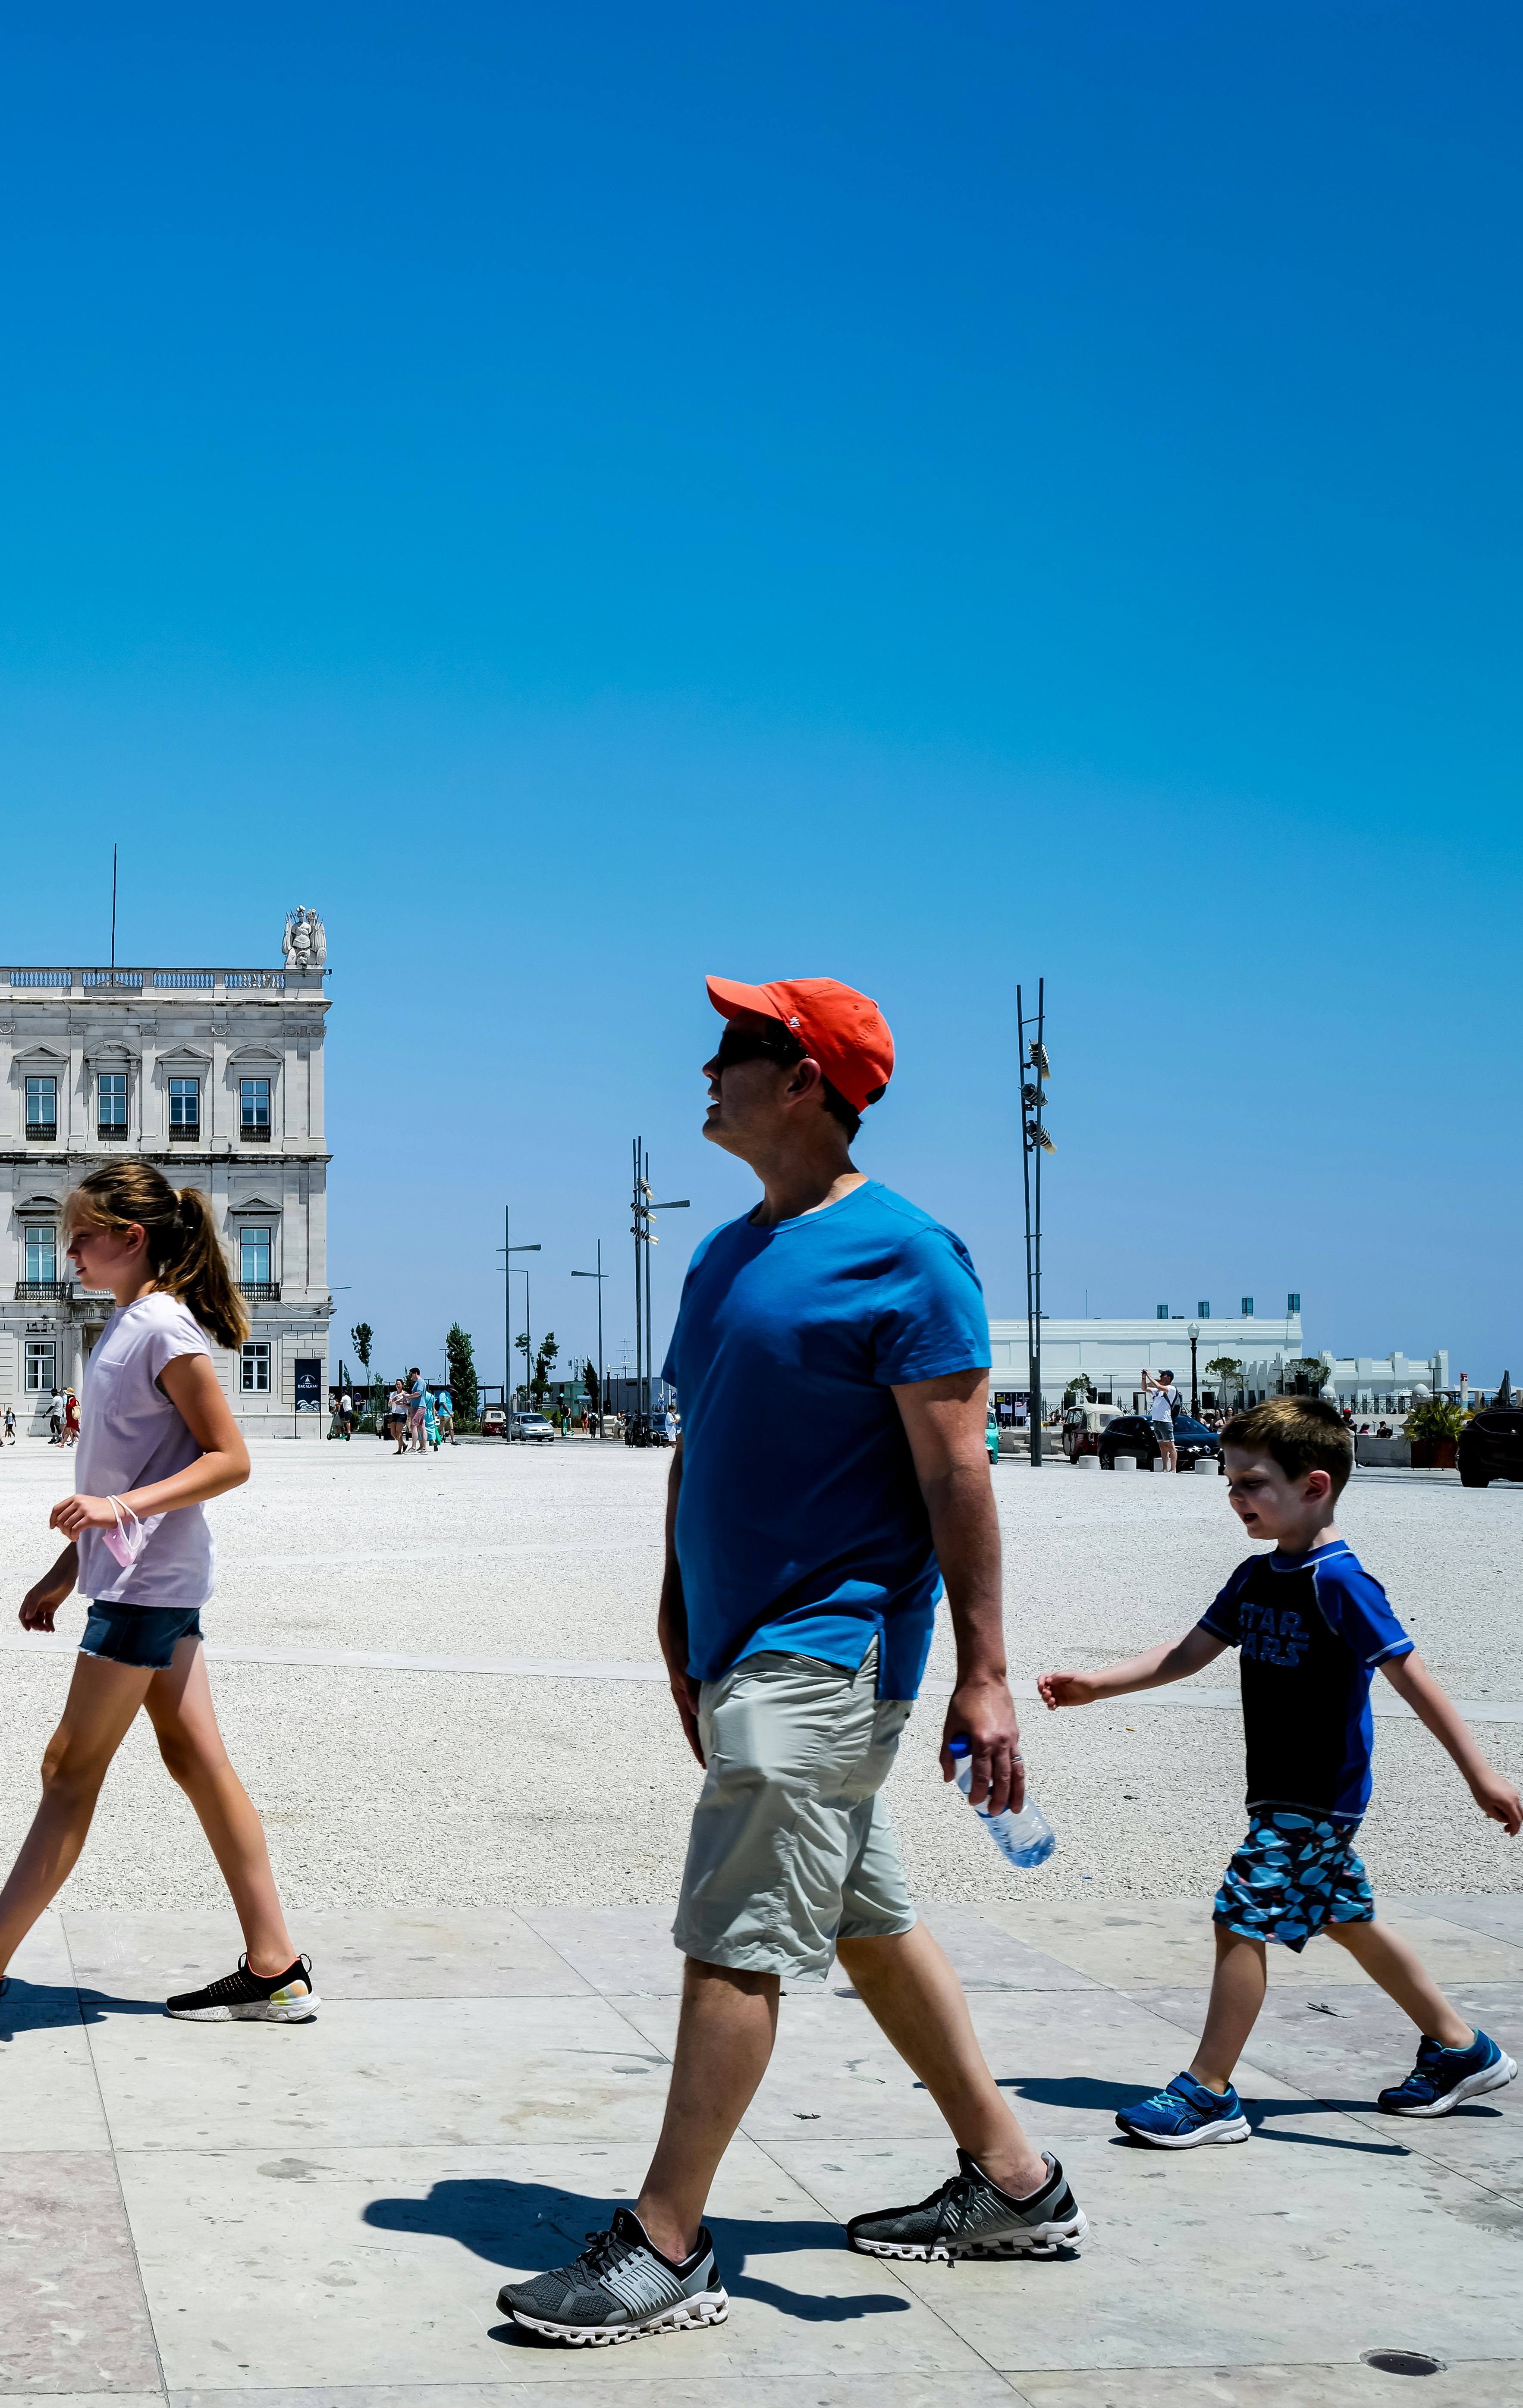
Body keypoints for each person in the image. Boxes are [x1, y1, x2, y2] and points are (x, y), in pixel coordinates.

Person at [499, 975, 1077, 2348]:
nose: (705, 1067)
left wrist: (982, 1672)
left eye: (736, 1049)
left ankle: (664, 2241)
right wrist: (670, 1611)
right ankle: (1012, 2180)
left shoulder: (908, 1255)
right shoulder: (719, 1256)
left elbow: (956, 1479)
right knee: (859, 1914)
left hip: (831, 1636)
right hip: (737, 1638)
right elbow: (699, 1445)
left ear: (804, 1079)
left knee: (734, 1932)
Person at [0, 1159, 312, 2034]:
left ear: (128, 1238)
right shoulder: (126, 1325)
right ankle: (276, 1966)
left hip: (147, 1588)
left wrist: (113, 1512)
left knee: (69, 1767)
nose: (66, 1248)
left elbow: (230, 1457)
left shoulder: (159, 1329)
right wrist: (68, 1569)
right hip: (144, 1579)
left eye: (80, 1234)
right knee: (195, 1762)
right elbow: (126, 1467)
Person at [1040, 1395, 1523, 2146]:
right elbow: (1185, 1653)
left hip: (1316, 1797)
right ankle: (1460, 2048)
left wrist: (1479, 1773)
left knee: (1239, 1916)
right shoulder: (1253, 1575)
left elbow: (1410, 1675)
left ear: (1314, 1484)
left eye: (1252, 1481)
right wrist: (1094, 1685)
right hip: (1279, 1792)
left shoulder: (1340, 1581)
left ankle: (1207, 2090)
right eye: (1230, 1481)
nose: (1236, 1495)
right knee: (1345, 1916)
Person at [1145, 1368, 1181, 1472]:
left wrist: (1149, 1376)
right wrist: (1144, 1378)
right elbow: (1145, 1388)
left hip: (1166, 1422)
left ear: (1169, 1378)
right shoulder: (1158, 1392)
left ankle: (1173, 1469)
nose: (1161, 1377)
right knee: (1162, 1446)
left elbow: (1158, 1386)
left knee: (1171, 1446)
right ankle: (1165, 1468)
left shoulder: (1171, 1389)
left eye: (1163, 1375)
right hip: (1156, 1421)